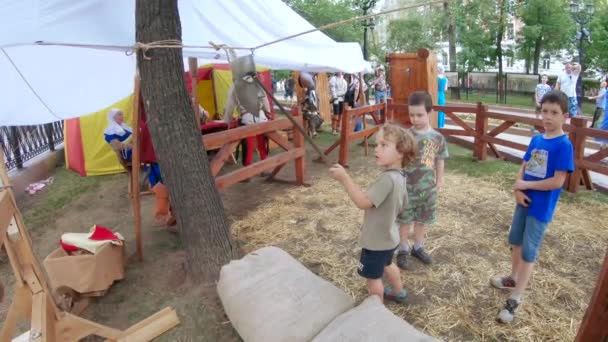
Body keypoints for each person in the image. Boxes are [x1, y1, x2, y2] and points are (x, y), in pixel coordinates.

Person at [490, 90, 574, 323]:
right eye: (544, 111)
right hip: (523, 201)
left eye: (554, 113)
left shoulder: (564, 145)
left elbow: (558, 181)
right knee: (516, 241)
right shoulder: (537, 139)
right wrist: (518, 189)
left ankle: (516, 297)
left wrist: (525, 184)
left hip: (540, 208)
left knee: (528, 251)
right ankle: (512, 278)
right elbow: (525, 165)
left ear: (564, 116)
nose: (547, 117)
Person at [329, 123, 416, 304]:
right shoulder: (401, 176)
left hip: (376, 242)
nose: (377, 149)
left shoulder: (387, 179)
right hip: (390, 237)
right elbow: (404, 205)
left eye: (384, 145)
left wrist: (345, 178)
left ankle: (377, 311)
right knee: (388, 264)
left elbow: (362, 203)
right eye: (377, 144)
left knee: (373, 278)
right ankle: (399, 292)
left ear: (400, 152)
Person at [395, 91, 448, 270]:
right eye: (412, 115)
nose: (415, 119)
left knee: (422, 219)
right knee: (405, 219)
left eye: (419, 115)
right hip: (406, 188)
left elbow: (440, 159)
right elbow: (397, 158)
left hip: (427, 188)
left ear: (429, 112)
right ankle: (403, 249)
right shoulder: (405, 136)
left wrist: (439, 180)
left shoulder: (437, 137)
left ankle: (418, 247)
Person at [103, 109, 175, 229]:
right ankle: (161, 183)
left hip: (137, 149)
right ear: (113, 117)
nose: (122, 116)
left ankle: (158, 183)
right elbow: (118, 146)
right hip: (128, 153)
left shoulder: (124, 127)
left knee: (150, 155)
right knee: (150, 155)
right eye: (119, 115)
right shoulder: (110, 131)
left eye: (121, 113)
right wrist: (133, 141)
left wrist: (138, 139)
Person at [223, 85, 270, 168]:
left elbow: (229, 105)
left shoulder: (234, 86)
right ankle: (264, 167)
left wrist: (227, 121)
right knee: (261, 143)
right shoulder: (256, 82)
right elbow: (265, 100)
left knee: (249, 146)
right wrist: (268, 113)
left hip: (247, 118)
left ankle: (248, 169)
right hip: (261, 117)